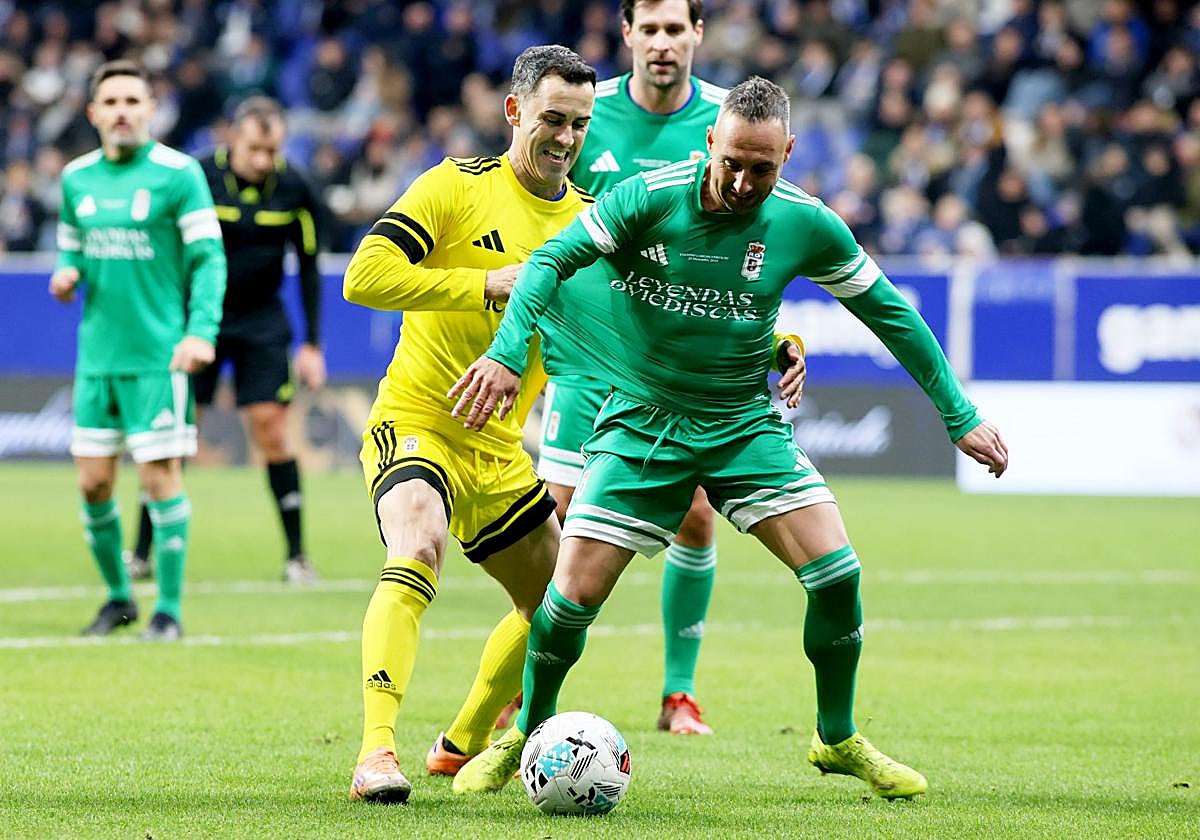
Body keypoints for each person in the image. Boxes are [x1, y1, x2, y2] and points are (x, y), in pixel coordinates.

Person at [448, 76, 1009, 800]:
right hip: (641, 421)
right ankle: (527, 734)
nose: (744, 182)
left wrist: (958, 413)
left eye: (763, 168)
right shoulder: (649, 197)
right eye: (732, 163)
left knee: (838, 574)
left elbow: (890, 313)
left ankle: (836, 737)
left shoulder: (807, 223)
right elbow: (552, 262)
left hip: (743, 423)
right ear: (710, 142)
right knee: (567, 601)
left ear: (789, 154)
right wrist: (504, 351)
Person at [340, 45, 598, 804]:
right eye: (553, 118)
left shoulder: (589, 226)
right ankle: (375, 754)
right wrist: (489, 283)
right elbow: (365, 276)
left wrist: (776, 350)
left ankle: (461, 743)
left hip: (500, 450)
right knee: (417, 543)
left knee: (560, 603)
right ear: (515, 112)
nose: (565, 137)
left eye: (580, 124)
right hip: (417, 418)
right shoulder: (455, 185)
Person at [534, 0, 731, 737]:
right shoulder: (586, 118)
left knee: (697, 515)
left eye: (675, 28)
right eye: (647, 29)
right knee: (555, 516)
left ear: (697, 36)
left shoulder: (724, 121)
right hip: (591, 355)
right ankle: (531, 689)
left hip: (682, 361)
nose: (661, 42)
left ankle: (679, 693)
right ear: (626, 36)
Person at [50, 60, 226, 642]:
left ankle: (168, 611)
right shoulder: (76, 179)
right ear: (93, 112)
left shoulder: (179, 175)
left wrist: (200, 331)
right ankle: (118, 600)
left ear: (150, 108)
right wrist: (66, 274)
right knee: (93, 484)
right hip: (97, 359)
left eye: (133, 100)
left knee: (159, 479)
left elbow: (208, 260)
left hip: (160, 356)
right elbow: (72, 251)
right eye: (112, 101)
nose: (123, 111)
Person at [125, 96, 327, 584]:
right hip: (201, 321)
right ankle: (143, 553)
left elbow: (308, 268)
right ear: (233, 137)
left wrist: (312, 344)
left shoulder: (295, 187)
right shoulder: (195, 177)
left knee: (271, 429)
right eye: (255, 148)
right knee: (174, 432)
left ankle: (296, 557)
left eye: (272, 151)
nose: (263, 161)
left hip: (261, 322)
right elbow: (167, 250)